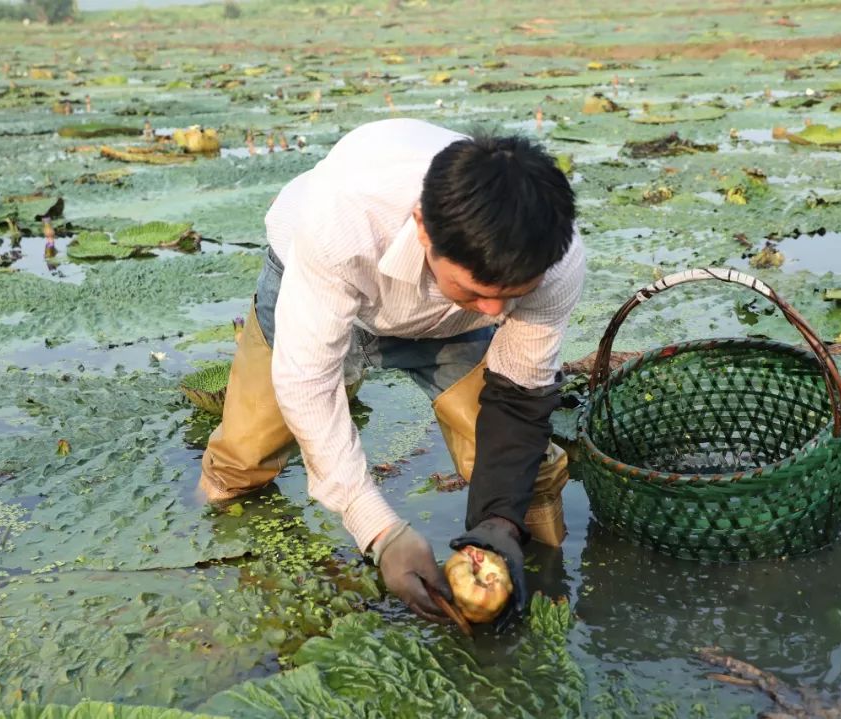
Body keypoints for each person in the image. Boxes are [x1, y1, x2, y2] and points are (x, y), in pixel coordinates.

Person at [198, 118, 584, 627]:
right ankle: (229, 568)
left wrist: (498, 524)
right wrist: (379, 531)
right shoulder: (342, 218)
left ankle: (540, 592)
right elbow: (308, 381)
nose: (495, 311)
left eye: (510, 296)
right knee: (243, 460)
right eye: (476, 290)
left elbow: (518, 395)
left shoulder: (555, 261)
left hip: (447, 324)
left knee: (530, 475)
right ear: (424, 228)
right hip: (313, 280)